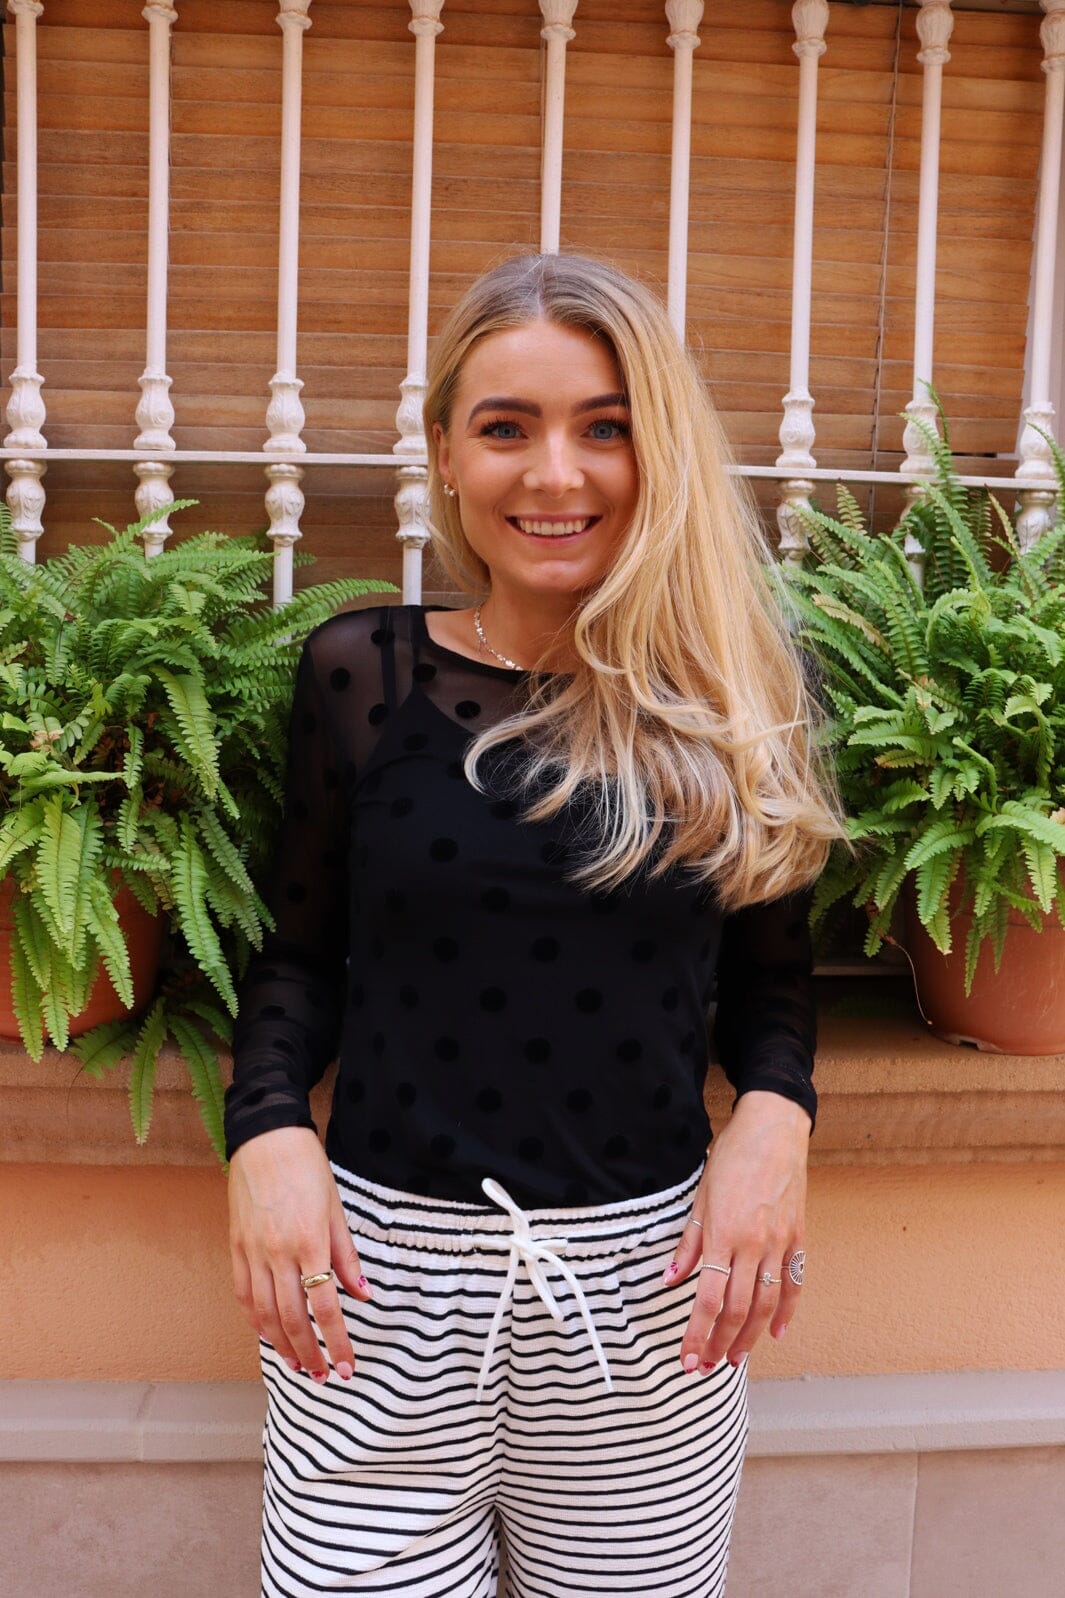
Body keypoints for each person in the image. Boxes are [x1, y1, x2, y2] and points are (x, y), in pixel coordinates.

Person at [224, 252, 846, 1598]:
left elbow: (771, 984)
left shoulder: (743, 691)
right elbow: (299, 955)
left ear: (655, 447)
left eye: (602, 426)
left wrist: (775, 1120)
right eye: (506, 426)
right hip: (371, 1293)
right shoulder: (362, 674)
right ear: (447, 452)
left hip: (653, 1297)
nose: (554, 474)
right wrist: (266, 1132)